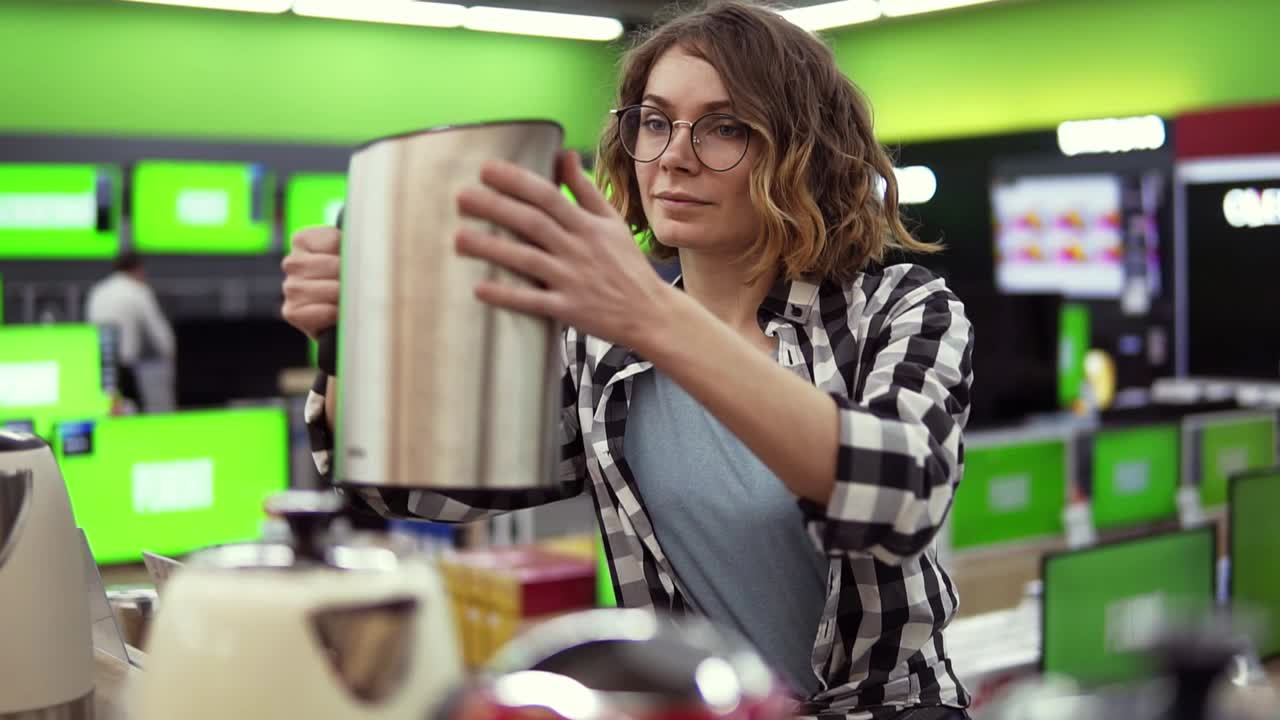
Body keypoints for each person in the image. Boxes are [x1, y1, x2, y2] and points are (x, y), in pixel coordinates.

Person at [282, 3, 974, 718]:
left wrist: (652, 314)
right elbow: (416, 489)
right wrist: (347, 343)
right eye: (654, 120)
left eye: (726, 127)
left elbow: (899, 495)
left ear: (805, 151)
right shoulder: (598, 344)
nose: (674, 154)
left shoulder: (899, 310)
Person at [86, 250, 175, 411]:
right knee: (133, 417)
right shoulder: (138, 291)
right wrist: (171, 353)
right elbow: (161, 334)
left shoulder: (98, 291)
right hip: (123, 369)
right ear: (138, 269)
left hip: (96, 367)